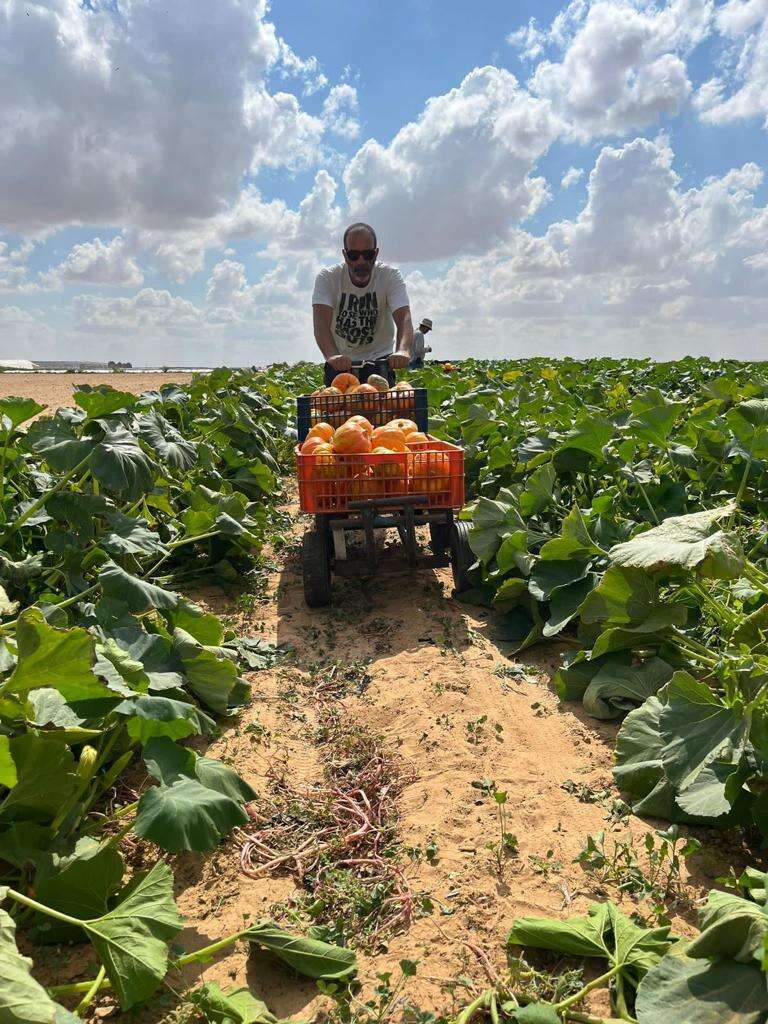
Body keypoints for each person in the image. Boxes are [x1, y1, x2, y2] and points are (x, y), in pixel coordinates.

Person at [312, 223, 414, 386]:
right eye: (354, 255)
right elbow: (321, 323)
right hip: (340, 363)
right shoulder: (328, 278)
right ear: (345, 255)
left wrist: (403, 350)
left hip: (380, 363)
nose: (361, 261)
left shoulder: (390, 276)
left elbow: (404, 317)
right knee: (337, 401)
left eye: (368, 254)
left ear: (376, 253)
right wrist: (332, 355)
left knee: (382, 401)